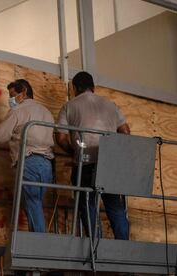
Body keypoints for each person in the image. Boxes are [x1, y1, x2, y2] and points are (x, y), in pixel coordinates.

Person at [0, 79, 55, 233]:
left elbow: (0, 135)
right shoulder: (46, 112)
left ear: (24, 92)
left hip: (29, 163)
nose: (11, 100)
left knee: (32, 203)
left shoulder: (18, 111)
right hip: (47, 164)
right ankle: (39, 242)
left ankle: (40, 244)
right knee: (35, 203)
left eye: (13, 95)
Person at [56, 71, 130, 240]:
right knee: (114, 204)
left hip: (85, 162)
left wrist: (74, 151)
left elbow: (60, 137)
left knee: (86, 203)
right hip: (108, 163)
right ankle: (124, 243)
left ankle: (95, 246)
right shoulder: (111, 105)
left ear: (75, 88)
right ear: (93, 87)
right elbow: (125, 132)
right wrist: (114, 151)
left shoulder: (70, 106)